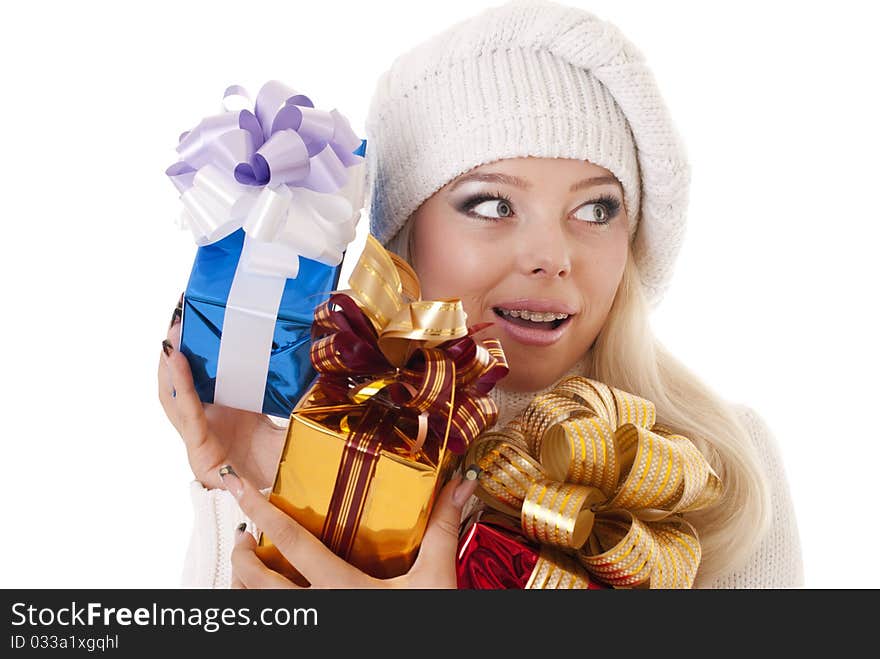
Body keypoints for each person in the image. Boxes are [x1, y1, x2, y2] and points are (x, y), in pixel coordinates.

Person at [158, 0, 804, 588]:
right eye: (494, 204)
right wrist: (242, 484)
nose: (552, 257)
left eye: (597, 209)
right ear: (406, 236)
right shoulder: (313, 432)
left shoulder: (714, 454)